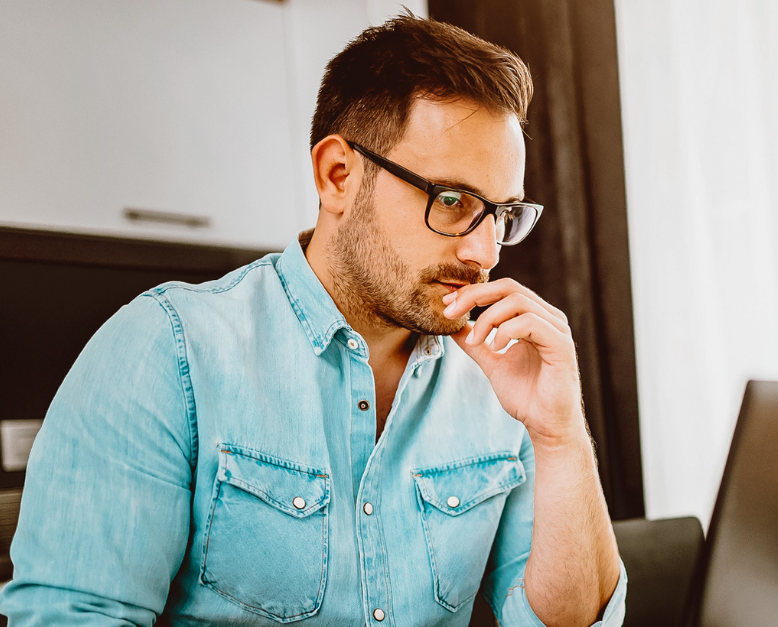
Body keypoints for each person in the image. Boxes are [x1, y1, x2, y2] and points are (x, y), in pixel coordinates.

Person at [0, 11, 626, 627]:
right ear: (338, 176)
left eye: (502, 213)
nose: (483, 252)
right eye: (453, 201)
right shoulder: (167, 351)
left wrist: (560, 433)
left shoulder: (500, 384)